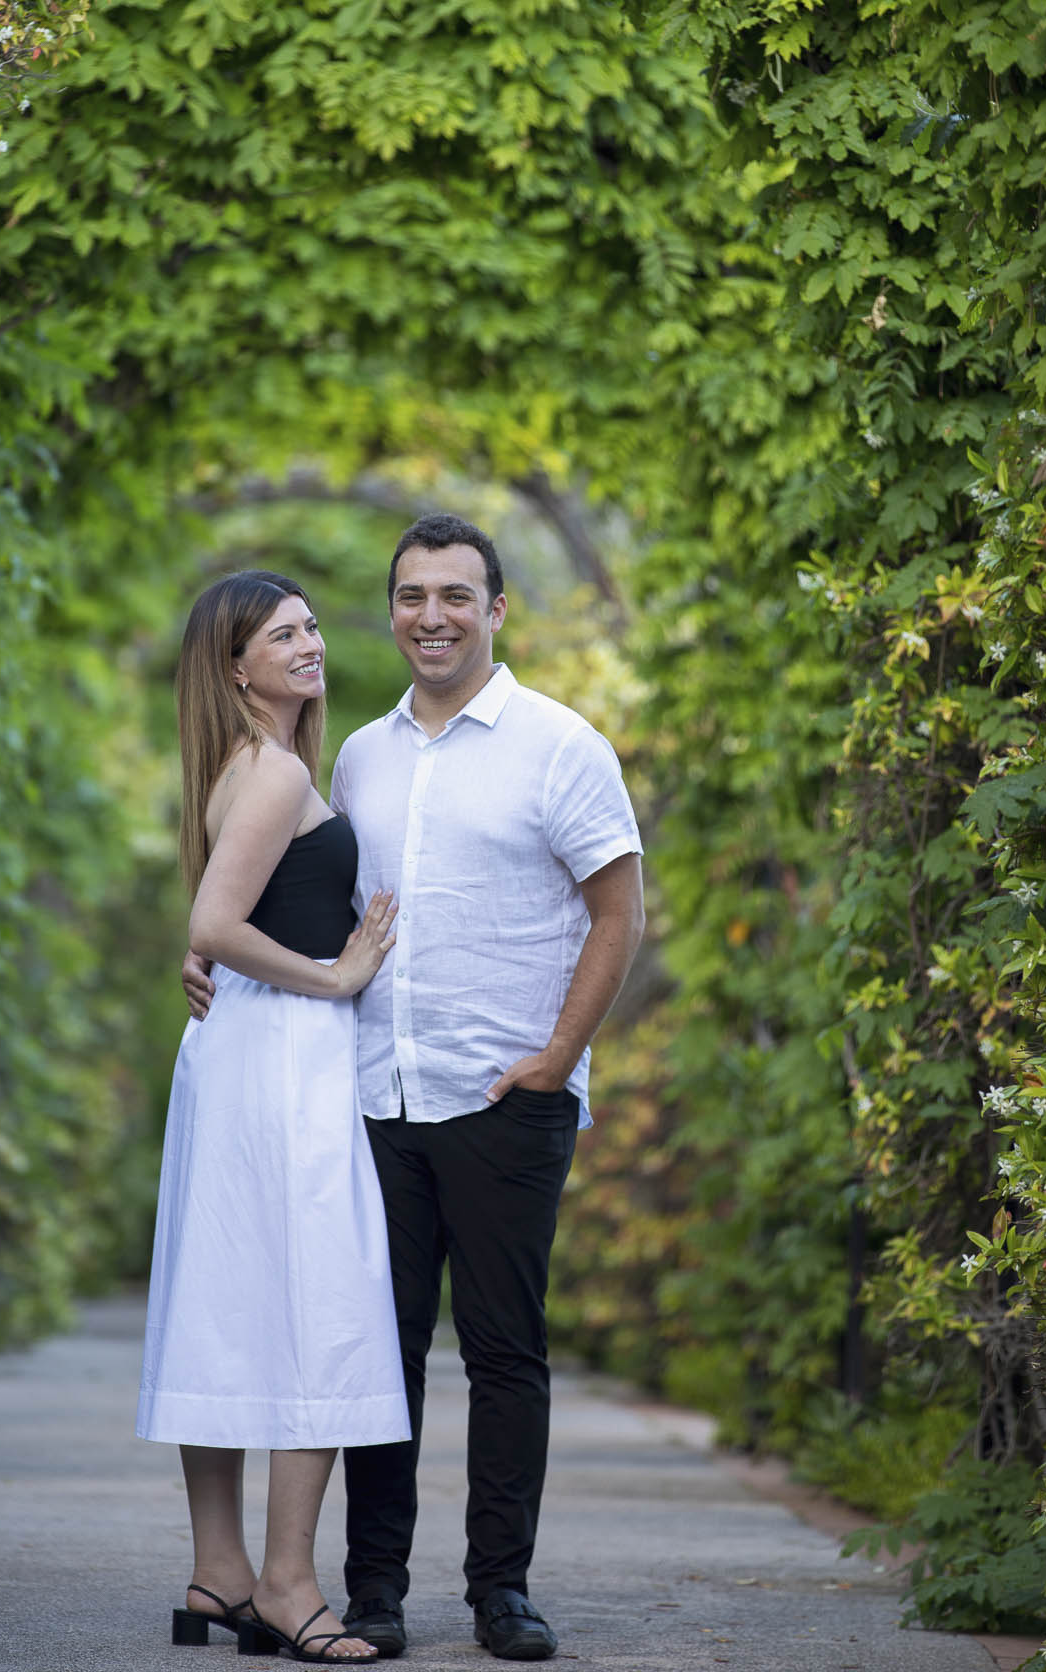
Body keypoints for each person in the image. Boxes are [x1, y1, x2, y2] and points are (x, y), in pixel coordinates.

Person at [185, 517, 645, 1663]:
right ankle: (374, 1589)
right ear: (391, 609)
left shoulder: (562, 744)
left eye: (455, 594)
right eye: (411, 595)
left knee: (504, 1351)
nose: (431, 615)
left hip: (505, 1094)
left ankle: (502, 1590)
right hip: (373, 1097)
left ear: (497, 609)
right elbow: (292, 891)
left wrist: (557, 1058)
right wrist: (205, 947)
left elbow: (619, 912)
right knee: (372, 1353)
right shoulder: (356, 755)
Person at [139, 570, 410, 1665]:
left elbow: (219, 922)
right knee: (321, 1305)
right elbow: (216, 920)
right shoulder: (275, 768)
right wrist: (337, 974)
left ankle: (221, 1574)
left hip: (244, 1051)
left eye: (310, 626)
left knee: (229, 1300)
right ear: (235, 667)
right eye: (280, 634)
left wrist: (247, 959)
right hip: (286, 1056)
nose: (309, 644)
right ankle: (290, 1584)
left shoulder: (244, 765)